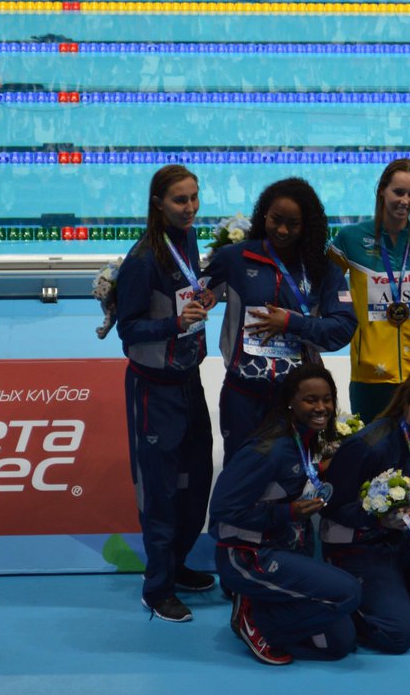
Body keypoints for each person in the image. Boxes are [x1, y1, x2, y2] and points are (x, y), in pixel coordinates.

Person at [115, 164, 216, 622]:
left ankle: (176, 565)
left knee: (195, 481)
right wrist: (176, 324)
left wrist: (202, 300)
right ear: (158, 203)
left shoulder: (188, 240)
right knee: (160, 490)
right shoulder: (142, 260)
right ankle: (157, 588)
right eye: (180, 200)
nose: (190, 207)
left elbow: (185, 294)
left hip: (189, 376)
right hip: (155, 388)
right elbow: (129, 330)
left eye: (194, 197)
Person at [209, 364, 362, 665]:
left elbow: (293, 478)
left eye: (327, 399)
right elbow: (222, 512)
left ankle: (261, 603)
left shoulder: (302, 439)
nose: (322, 407)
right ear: (290, 402)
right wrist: (286, 512)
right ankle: (254, 621)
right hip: (246, 555)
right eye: (311, 400)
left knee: (340, 643)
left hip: (283, 547)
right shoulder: (267, 450)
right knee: (348, 594)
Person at [205, 177, 356, 464]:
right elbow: (193, 295)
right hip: (244, 392)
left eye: (293, 223)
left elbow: (343, 327)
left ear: (307, 225)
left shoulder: (322, 269)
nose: (283, 230)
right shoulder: (234, 258)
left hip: (302, 399)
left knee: (296, 478)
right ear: (264, 215)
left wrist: (292, 323)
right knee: (241, 474)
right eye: (276, 220)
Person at [318, 368, 410, 654]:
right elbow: (331, 509)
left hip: (399, 540)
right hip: (357, 545)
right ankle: (352, 606)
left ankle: (402, 604)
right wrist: (378, 518)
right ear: (404, 405)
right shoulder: (369, 445)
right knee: (399, 637)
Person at [329, 159, 410, 422]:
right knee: (371, 448)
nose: (405, 200)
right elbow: (324, 281)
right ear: (382, 191)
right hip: (370, 368)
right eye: (398, 192)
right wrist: (342, 315)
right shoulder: (351, 238)